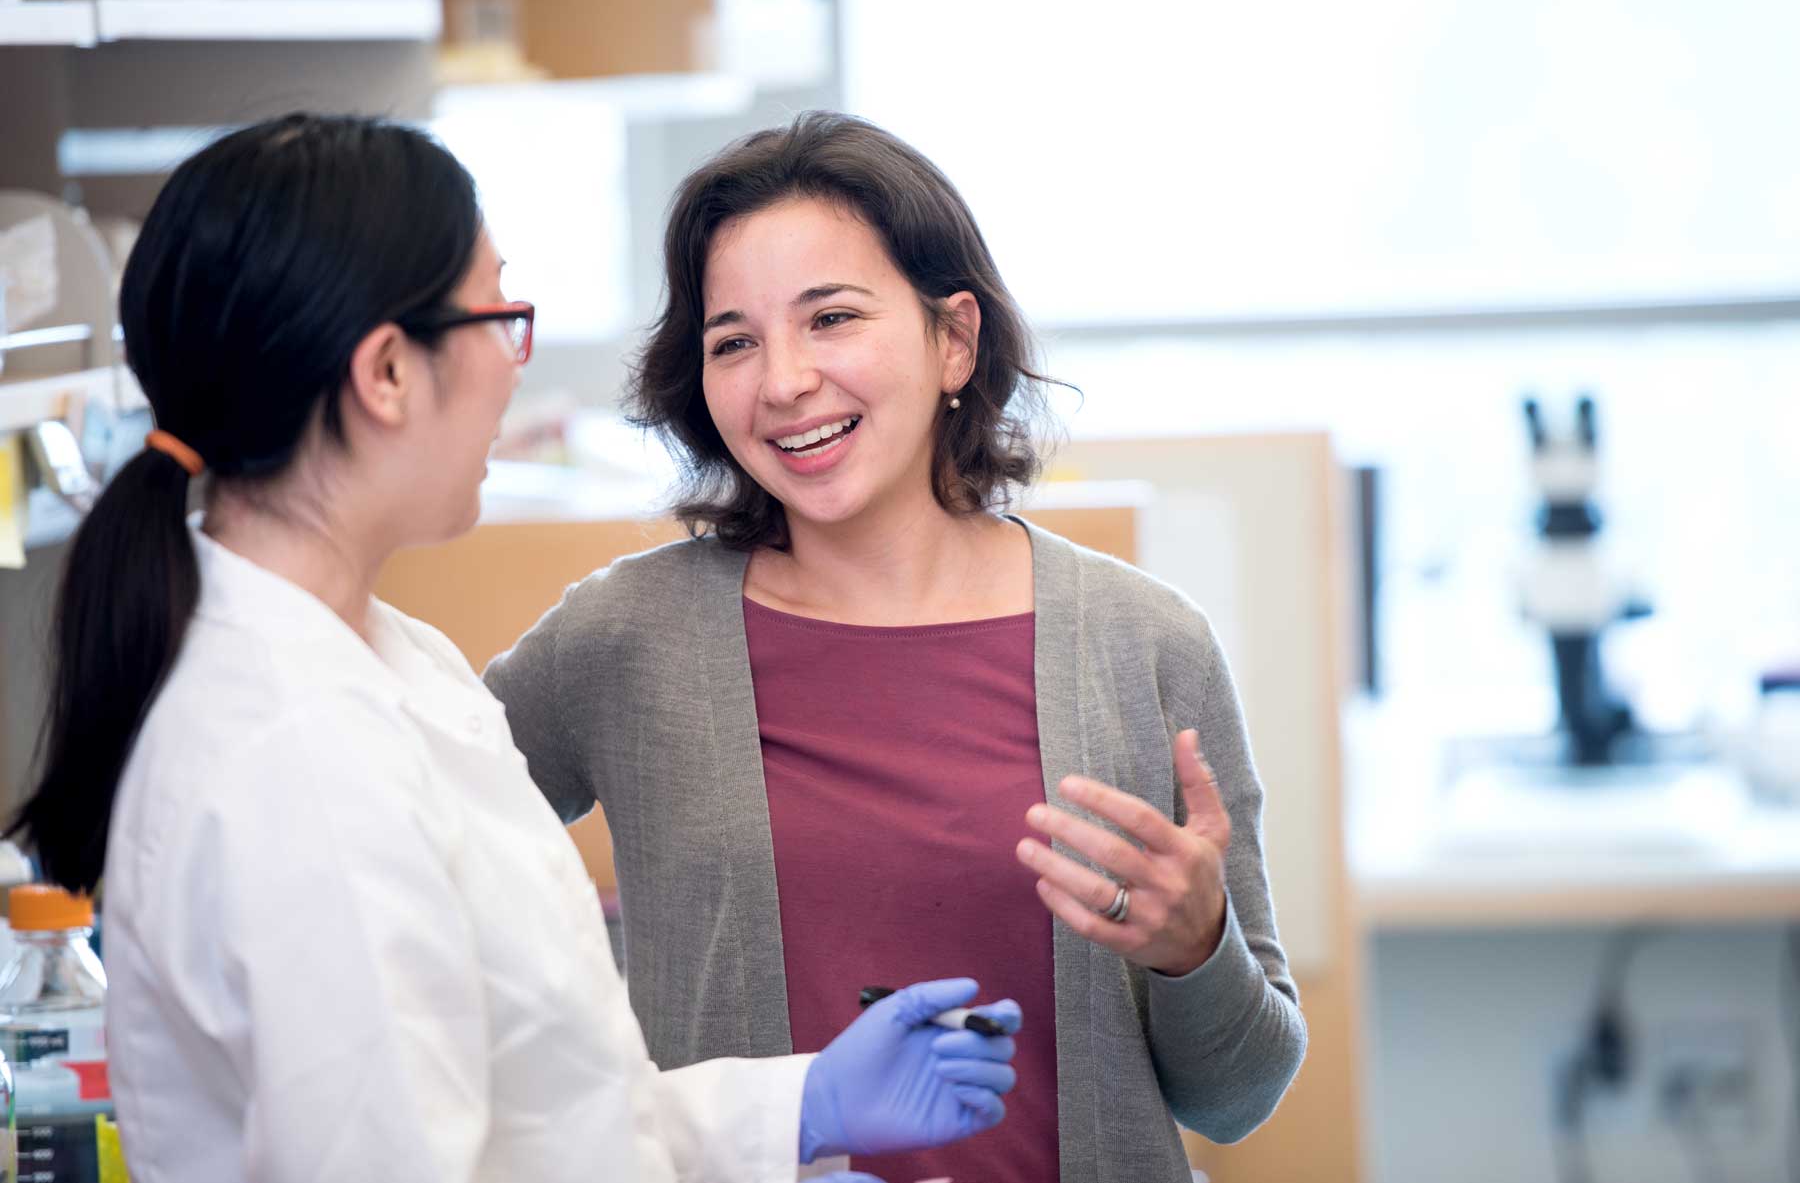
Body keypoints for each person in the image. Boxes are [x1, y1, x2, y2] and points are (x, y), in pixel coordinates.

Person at [4, 113, 1022, 1183]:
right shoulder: (298, 761)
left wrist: (797, 1108)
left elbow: (540, 1121)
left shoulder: (387, 658)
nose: (512, 370)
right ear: (388, 372)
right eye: (499, 317)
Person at [483, 111, 1306, 1183]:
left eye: (830, 318)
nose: (782, 381)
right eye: (734, 339)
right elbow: (397, 863)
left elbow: (1238, 1098)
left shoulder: (1145, 645)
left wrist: (1199, 947)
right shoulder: (623, 641)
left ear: (952, 338)